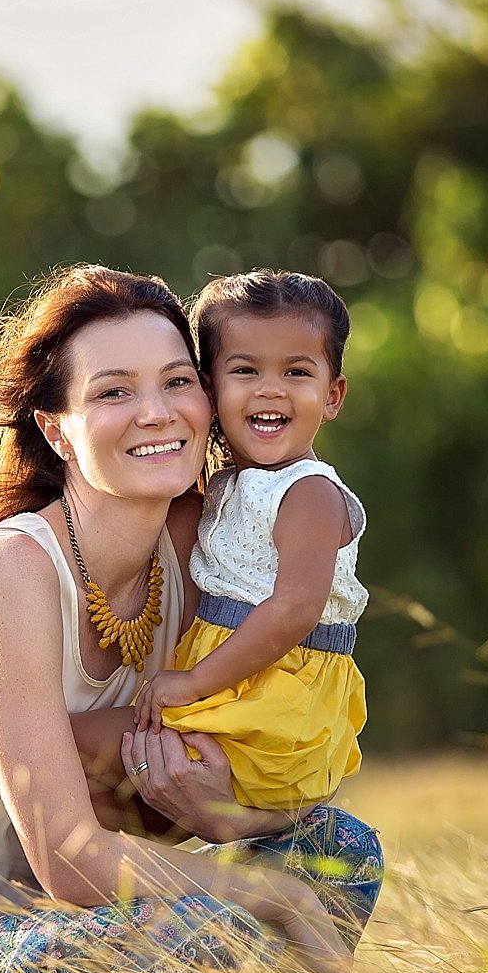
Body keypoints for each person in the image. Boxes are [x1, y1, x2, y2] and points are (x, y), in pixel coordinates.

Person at [0, 265, 385, 973]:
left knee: (338, 848)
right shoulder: (9, 570)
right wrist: (268, 893)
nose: (155, 412)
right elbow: (71, 859)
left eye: (177, 381)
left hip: (66, 925)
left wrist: (226, 823)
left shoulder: (204, 545)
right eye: (114, 392)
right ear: (57, 427)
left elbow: (150, 805)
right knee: (214, 924)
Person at [123, 271, 366, 814]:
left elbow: (294, 608)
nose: (270, 389)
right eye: (245, 370)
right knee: (105, 778)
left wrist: (193, 682)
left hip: (270, 701)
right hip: (235, 686)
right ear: (209, 388)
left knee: (85, 743)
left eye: (297, 372)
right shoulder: (224, 485)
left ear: (332, 396)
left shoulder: (308, 492)